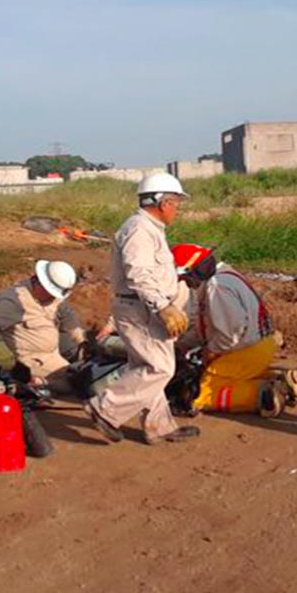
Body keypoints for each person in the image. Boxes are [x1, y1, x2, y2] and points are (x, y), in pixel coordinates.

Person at [83, 172, 200, 444]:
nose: (177, 210)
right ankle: (104, 408)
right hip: (142, 310)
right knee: (160, 369)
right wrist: (163, 307)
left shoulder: (146, 229)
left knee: (147, 369)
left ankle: (158, 426)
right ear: (162, 202)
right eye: (176, 203)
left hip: (143, 308)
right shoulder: (139, 230)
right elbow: (139, 274)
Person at [170, 243, 297, 417]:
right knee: (228, 375)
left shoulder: (217, 287)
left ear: (194, 270)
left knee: (202, 393)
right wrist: (184, 346)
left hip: (246, 351)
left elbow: (231, 333)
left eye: (185, 277)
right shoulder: (225, 276)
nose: (185, 283)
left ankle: (264, 395)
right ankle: (278, 380)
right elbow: (207, 329)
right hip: (259, 346)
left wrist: (209, 352)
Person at [0, 260, 85, 395]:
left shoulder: (51, 297)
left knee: (83, 376)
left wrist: (80, 339)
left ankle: (36, 385)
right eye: (53, 293)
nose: (54, 297)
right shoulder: (15, 301)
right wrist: (1, 351)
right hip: (30, 359)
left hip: (51, 355)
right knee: (76, 385)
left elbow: (67, 314)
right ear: (42, 285)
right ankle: (29, 384)